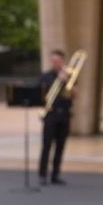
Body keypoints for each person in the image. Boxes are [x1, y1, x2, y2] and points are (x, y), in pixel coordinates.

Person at [39, 50, 74, 186]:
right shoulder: (45, 76)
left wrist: (66, 82)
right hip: (50, 114)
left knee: (60, 146)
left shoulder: (69, 76)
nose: (55, 63)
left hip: (64, 114)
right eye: (53, 61)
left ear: (63, 62)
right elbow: (41, 94)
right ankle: (42, 175)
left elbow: (74, 95)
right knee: (46, 146)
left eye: (58, 61)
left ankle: (56, 174)